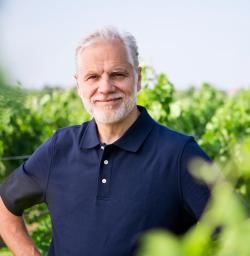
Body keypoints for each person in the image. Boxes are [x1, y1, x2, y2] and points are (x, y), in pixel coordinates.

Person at [0, 27, 211, 256]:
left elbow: (240, 231)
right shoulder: (59, 148)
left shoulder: (179, 155)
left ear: (138, 78)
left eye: (118, 74)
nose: (105, 88)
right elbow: (4, 205)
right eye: (92, 77)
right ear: (79, 85)